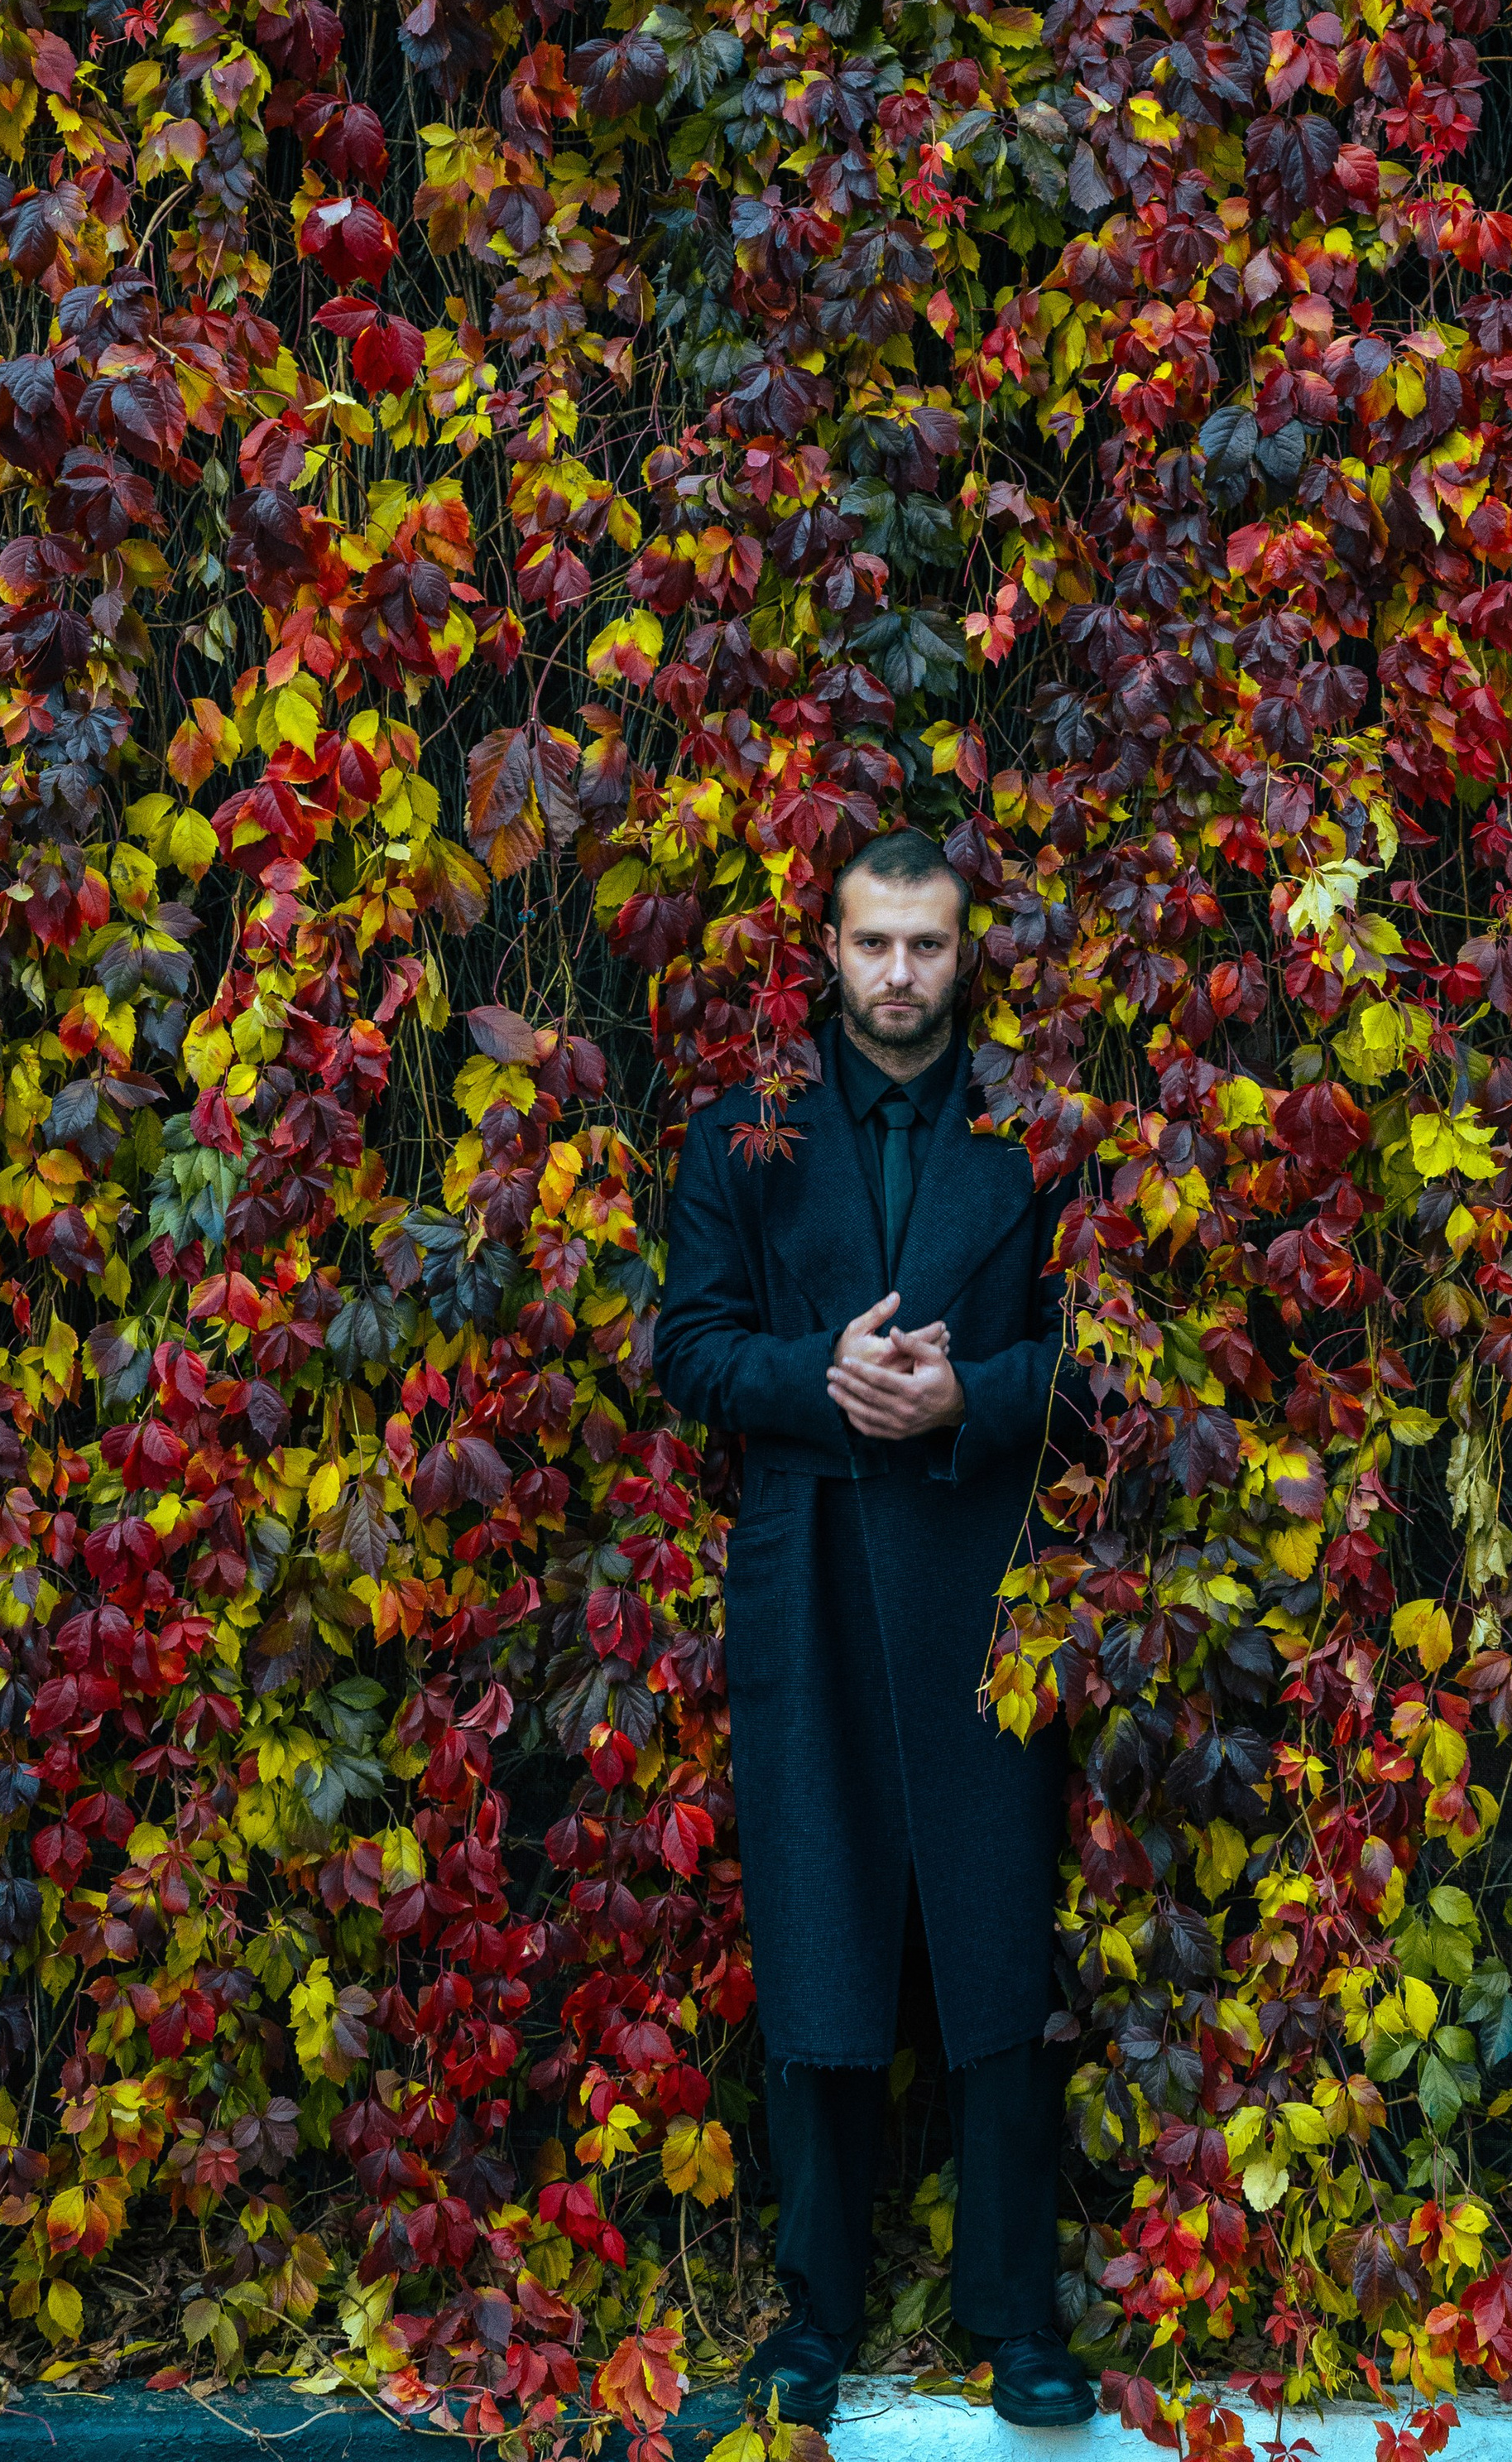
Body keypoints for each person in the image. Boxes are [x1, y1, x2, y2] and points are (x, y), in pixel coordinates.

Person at [652, 826, 1097, 2429]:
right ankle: (812, 2317)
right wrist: (816, 1377)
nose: (898, 973)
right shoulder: (740, 1138)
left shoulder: (1040, 1138)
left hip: (983, 1582)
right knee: (817, 1926)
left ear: (966, 956)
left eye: (925, 944)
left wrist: (973, 1396)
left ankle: (1016, 2319)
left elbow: (1104, 1360)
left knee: (996, 1935)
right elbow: (688, 1345)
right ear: (827, 954)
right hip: (815, 1565)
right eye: (871, 943)